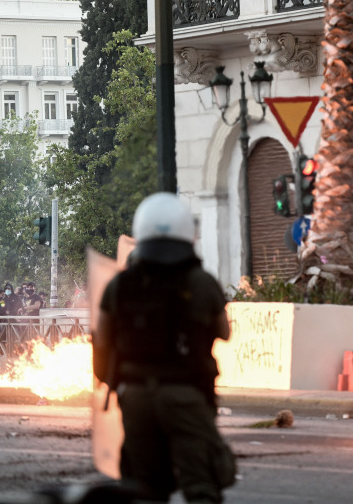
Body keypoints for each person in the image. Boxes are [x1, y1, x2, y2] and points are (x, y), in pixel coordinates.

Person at [93, 192, 235, 503]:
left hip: (135, 395)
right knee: (200, 484)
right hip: (187, 394)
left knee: (144, 488)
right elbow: (224, 332)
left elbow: (101, 339)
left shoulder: (120, 285)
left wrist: (114, 383)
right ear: (187, 234)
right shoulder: (202, 282)